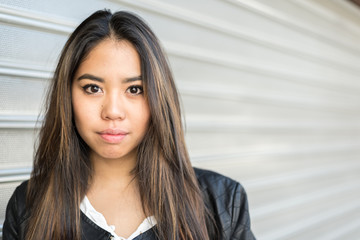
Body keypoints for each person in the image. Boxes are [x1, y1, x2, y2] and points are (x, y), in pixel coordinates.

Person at [3, 9, 256, 240]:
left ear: (158, 98)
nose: (113, 111)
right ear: (67, 96)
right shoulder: (28, 206)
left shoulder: (223, 202)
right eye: (93, 88)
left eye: (135, 89)